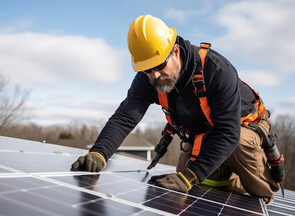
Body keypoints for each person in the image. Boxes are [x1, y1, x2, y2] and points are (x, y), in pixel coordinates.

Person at [71, 15, 283, 204]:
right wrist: (99, 153)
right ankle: (233, 178)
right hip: (205, 133)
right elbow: (125, 117)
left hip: (243, 126)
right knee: (193, 178)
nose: (154, 76)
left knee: (226, 151)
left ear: (175, 51)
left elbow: (228, 132)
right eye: (146, 70)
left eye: (159, 66)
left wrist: (190, 176)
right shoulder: (148, 79)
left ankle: (263, 190)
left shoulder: (217, 71)